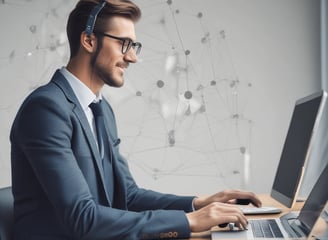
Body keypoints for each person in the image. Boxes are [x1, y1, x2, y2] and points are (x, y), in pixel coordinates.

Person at [10, 0, 262, 239]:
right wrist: (189, 221)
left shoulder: (102, 110)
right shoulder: (46, 110)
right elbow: (82, 217)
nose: (133, 57)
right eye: (124, 44)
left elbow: (127, 196)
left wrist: (198, 204)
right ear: (88, 40)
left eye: (134, 46)